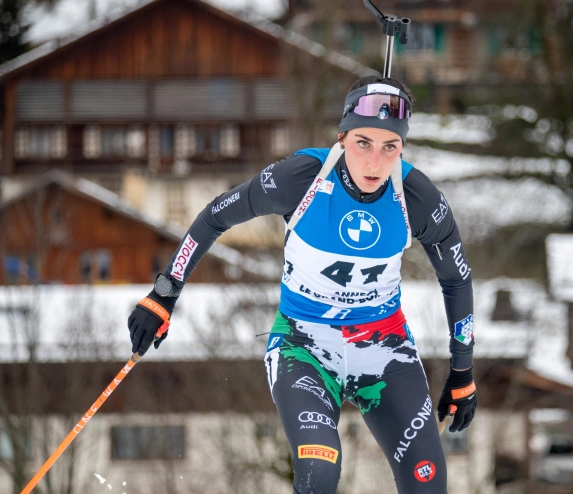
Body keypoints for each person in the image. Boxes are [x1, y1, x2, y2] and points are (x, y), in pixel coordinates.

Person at [127, 76, 476, 493]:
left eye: (390, 148)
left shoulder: (418, 199)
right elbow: (215, 215)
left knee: (428, 483)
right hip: (303, 346)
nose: (374, 163)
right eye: (363, 143)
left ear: (402, 148)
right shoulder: (302, 178)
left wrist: (463, 371)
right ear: (342, 136)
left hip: (384, 349)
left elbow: (457, 280)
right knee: (320, 472)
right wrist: (164, 294)